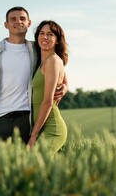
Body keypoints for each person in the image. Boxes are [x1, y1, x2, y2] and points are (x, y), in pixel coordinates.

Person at [0, 7, 67, 144]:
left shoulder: (36, 49)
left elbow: (57, 67)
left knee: (23, 165)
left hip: (25, 120)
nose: (18, 21)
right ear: (6, 25)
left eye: (22, 18)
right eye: (13, 19)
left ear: (29, 23)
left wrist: (65, 85)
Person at [27, 20, 68, 155]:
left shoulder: (53, 61)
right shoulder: (43, 60)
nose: (44, 37)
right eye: (42, 33)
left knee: (35, 166)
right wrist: (65, 87)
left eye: (50, 34)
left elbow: (47, 101)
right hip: (41, 127)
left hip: (52, 128)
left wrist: (33, 135)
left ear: (57, 40)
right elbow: (65, 81)